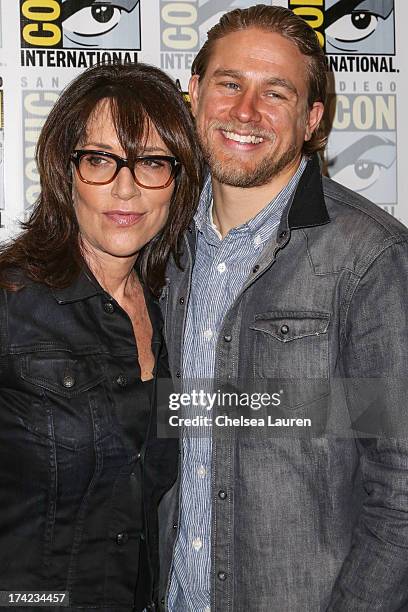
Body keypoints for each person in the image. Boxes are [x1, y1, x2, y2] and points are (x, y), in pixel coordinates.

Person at [158, 5, 408, 612]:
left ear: (312, 120)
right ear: (193, 94)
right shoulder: (158, 242)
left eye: (276, 93)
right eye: (229, 84)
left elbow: (399, 485)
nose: (245, 112)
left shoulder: (365, 259)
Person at [0, 62, 201, 611]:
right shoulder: (11, 305)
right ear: (65, 172)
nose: (126, 189)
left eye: (153, 163)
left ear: (178, 183)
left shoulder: (179, 314)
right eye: (99, 160)